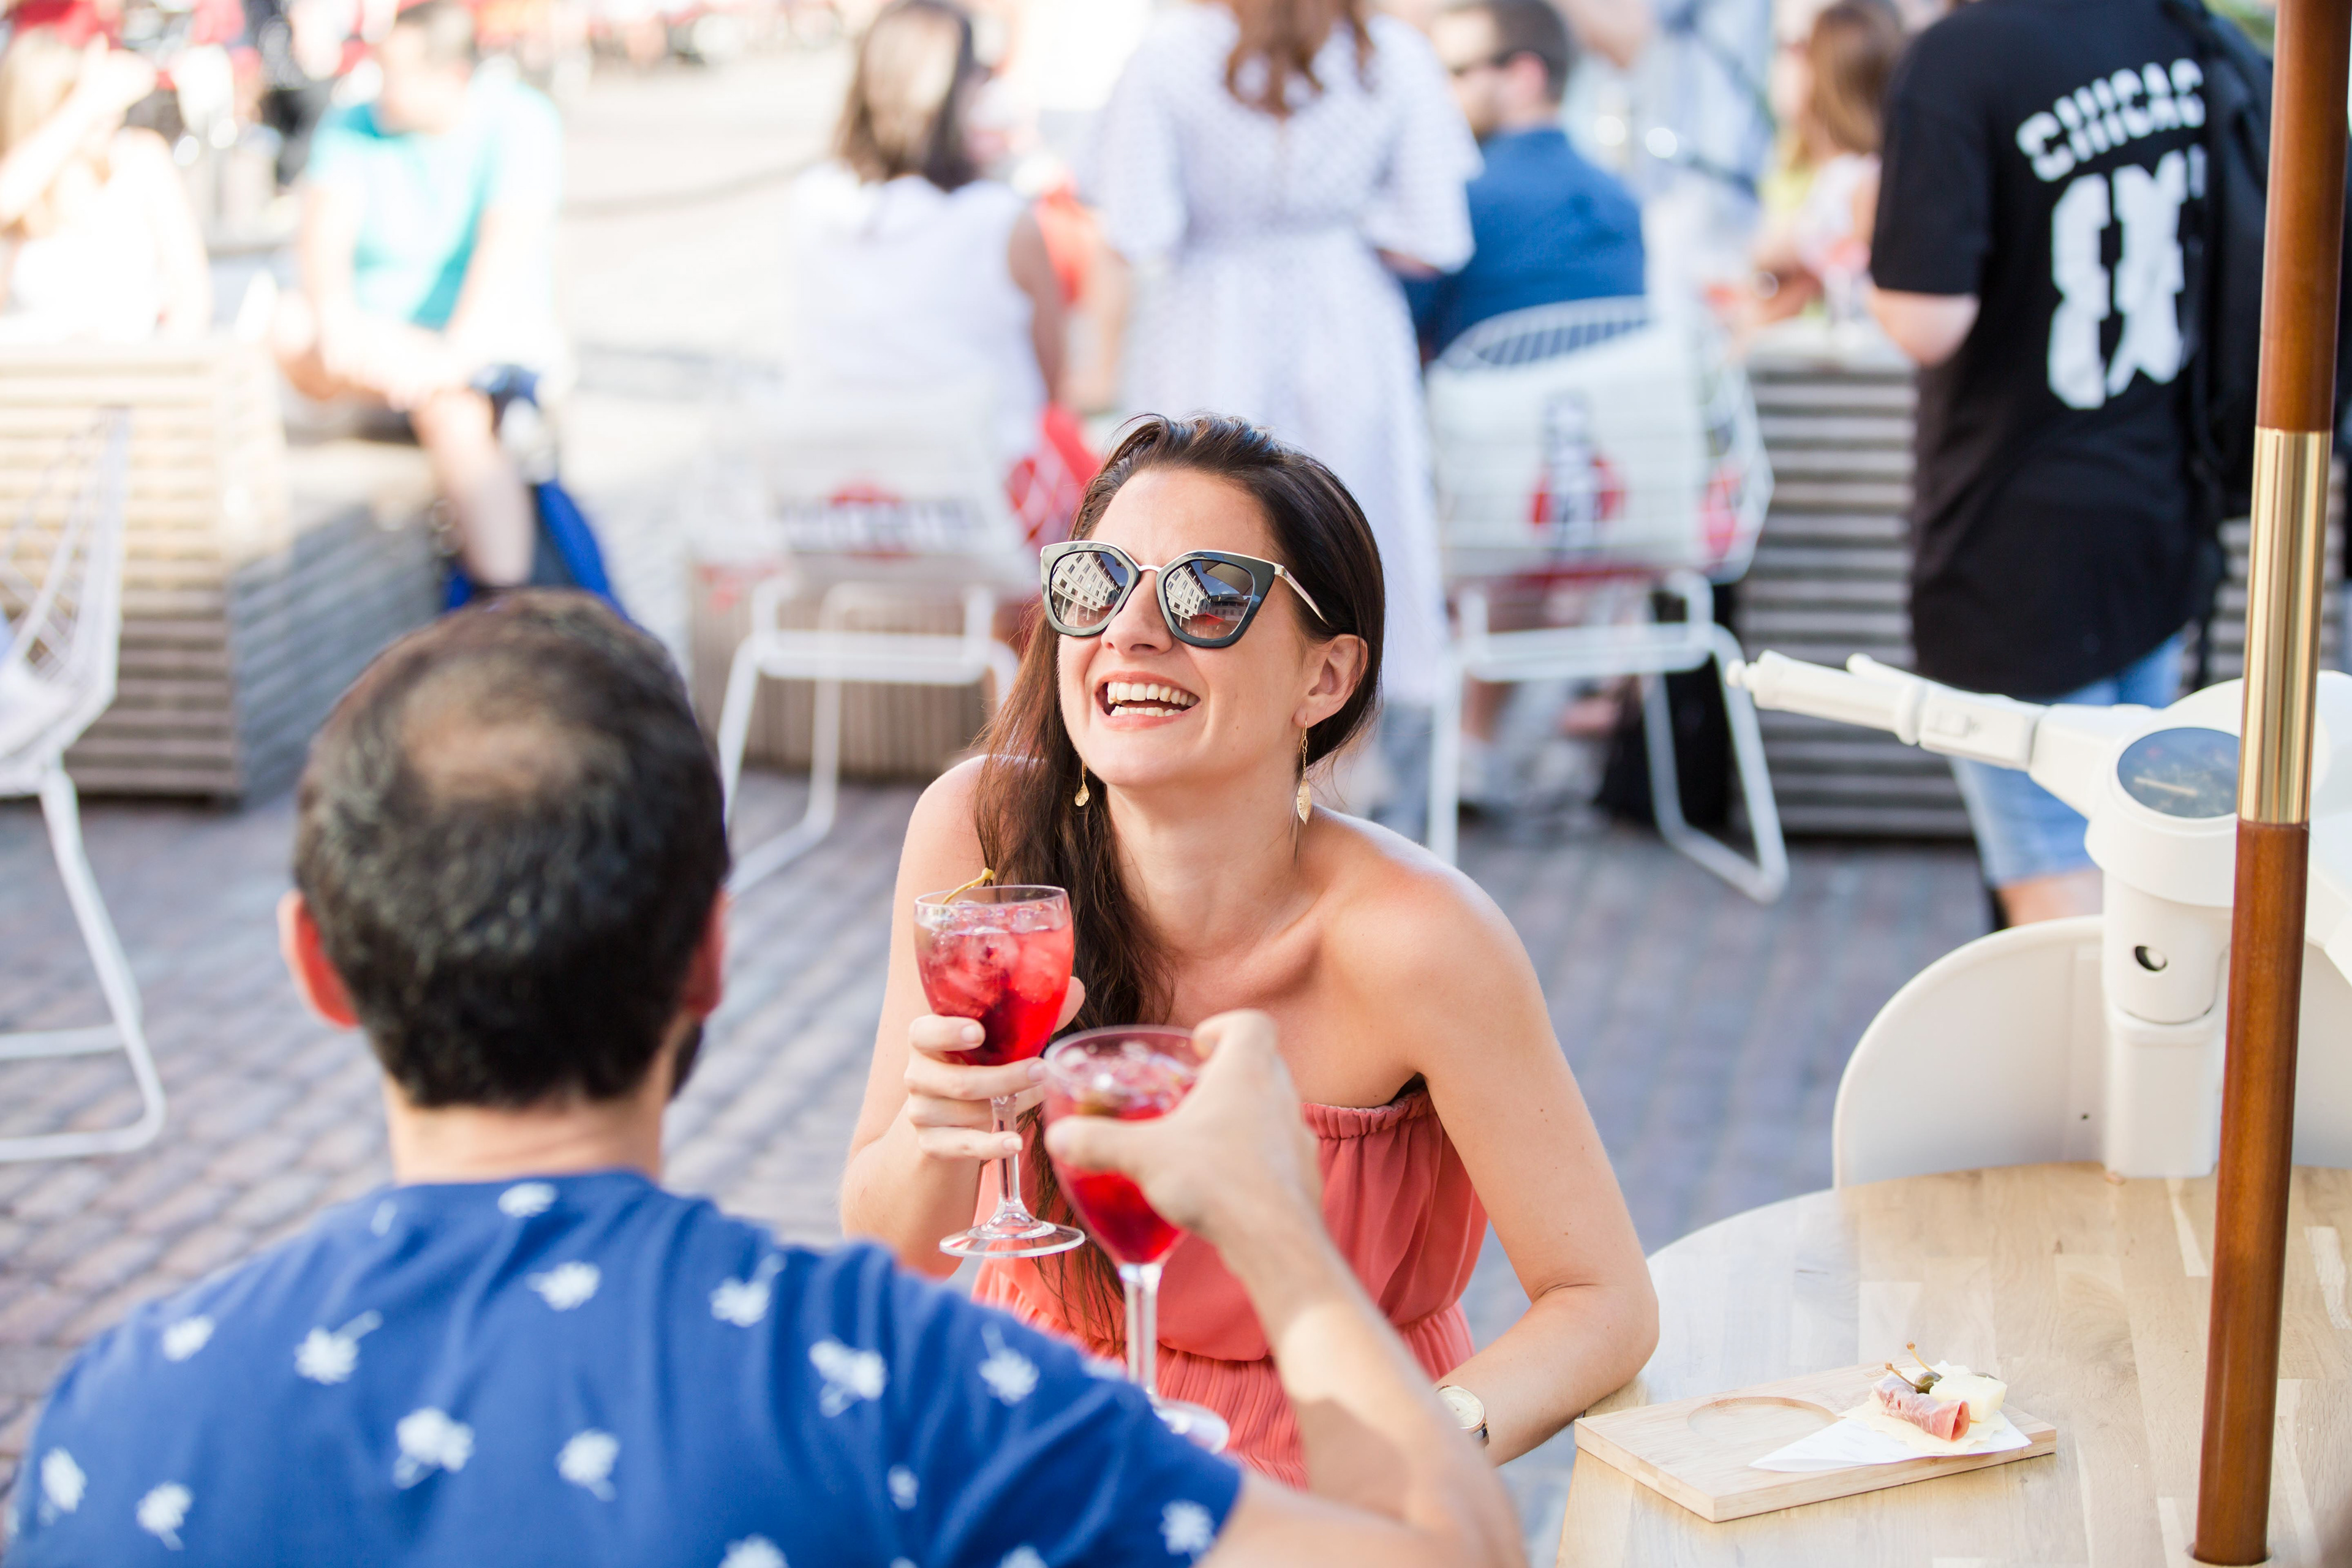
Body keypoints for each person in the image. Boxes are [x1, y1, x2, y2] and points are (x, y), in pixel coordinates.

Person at [7, 593, 1523, 1568]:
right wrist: (1277, 1230)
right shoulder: (903, 1380)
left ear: (319, 965)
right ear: (710, 957)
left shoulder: (125, 1417)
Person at [843, 415, 1658, 1485]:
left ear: (1326, 677)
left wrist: (1418, 1450)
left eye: (1208, 595)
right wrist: (938, 1132)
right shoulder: (980, 840)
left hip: (1322, 1469)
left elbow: (1603, 1302)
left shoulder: (1420, 941)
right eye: (1096, 581)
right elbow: (889, 1249)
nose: (1132, 631)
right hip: (1033, 1437)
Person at [1084, 0, 1479, 837]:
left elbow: (1137, 223)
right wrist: (1338, 217)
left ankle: (1198, 781)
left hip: (1209, 322)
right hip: (1347, 327)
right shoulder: (1392, 56)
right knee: (1348, 546)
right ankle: (1339, 795)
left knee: (1191, 544)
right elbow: (1435, 236)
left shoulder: (1171, 54)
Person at [1868, 0, 2210, 925]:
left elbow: (1924, 318)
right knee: (2130, 840)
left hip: (2014, 540)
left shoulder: (1960, 58)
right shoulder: (2177, 31)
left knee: (2055, 867)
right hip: (2156, 508)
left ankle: (2104, 1032)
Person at [270, 0, 563, 592]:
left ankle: (506, 593)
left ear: (451, 75)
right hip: (376, 343)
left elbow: (504, 253)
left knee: (452, 412)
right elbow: (323, 243)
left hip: (480, 339)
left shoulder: (519, 120)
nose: (379, 84)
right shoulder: (352, 124)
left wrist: (448, 359)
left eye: (395, 73)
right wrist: (341, 323)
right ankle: (504, 589)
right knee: (291, 326)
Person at [786, 0, 1066, 485]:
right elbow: (1052, 380)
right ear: (960, 90)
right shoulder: (1001, 219)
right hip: (982, 487)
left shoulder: (810, 199)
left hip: (843, 483)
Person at [1409, 0, 1644, 360]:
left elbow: (1399, 332)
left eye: (1455, 72)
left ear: (1524, 76)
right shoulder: (1620, 199)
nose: (1440, 92)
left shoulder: (1459, 199)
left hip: (1482, 396)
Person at [0, 31, 210, 342]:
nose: (110, 111)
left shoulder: (141, 159)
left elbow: (192, 296)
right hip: (33, 366)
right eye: (73, 95)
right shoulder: (21, 191)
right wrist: (84, 105)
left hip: (132, 365)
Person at [1740, 0, 1900, 330]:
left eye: (1798, 52)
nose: (1785, 64)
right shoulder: (1825, 170)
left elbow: (1788, 261)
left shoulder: (1859, 178)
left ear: (1824, 77)